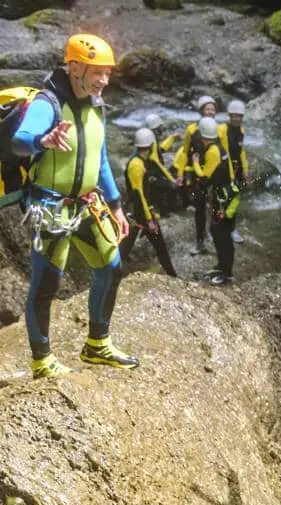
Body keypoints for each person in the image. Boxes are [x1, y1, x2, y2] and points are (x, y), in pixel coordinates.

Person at [11, 33, 138, 378]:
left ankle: (97, 345)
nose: (104, 80)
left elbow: (101, 162)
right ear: (75, 66)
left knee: (111, 268)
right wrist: (43, 140)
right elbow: (20, 142)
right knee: (47, 285)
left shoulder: (97, 106)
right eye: (97, 72)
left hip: (88, 204)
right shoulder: (47, 103)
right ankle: (42, 361)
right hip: (51, 208)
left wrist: (116, 206)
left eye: (108, 73)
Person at [119, 128, 178, 277]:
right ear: (151, 145)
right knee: (158, 244)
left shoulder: (140, 162)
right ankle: (171, 274)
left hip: (139, 211)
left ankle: (116, 267)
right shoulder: (137, 165)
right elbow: (139, 195)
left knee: (129, 242)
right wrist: (149, 218)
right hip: (140, 213)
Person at [191, 116, 239, 286]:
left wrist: (196, 163)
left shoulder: (212, 152)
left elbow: (205, 179)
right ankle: (223, 266)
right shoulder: (220, 147)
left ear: (203, 137)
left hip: (223, 199)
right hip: (227, 195)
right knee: (221, 232)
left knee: (220, 233)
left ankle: (226, 273)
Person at [173, 95, 217, 255]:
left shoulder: (219, 129)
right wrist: (180, 174)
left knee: (216, 205)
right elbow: (185, 153)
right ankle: (200, 240)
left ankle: (215, 233)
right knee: (199, 207)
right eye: (207, 109)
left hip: (213, 173)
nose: (211, 112)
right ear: (201, 111)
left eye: (213, 109)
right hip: (198, 175)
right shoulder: (192, 130)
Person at [219, 99, 250, 244]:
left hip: (236, 171)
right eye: (235, 116)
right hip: (224, 171)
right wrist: (230, 176)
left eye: (240, 116)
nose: (237, 118)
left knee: (234, 201)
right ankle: (220, 228)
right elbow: (224, 153)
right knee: (222, 201)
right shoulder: (223, 129)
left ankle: (231, 229)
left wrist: (245, 170)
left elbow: (241, 151)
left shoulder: (241, 130)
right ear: (229, 116)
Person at [141, 113, 180, 216]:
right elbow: (157, 163)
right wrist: (171, 179)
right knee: (172, 187)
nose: (161, 129)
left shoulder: (150, 140)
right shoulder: (151, 142)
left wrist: (171, 138)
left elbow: (161, 149)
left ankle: (166, 210)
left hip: (153, 175)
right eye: (159, 127)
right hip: (151, 178)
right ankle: (167, 211)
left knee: (166, 186)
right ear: (155, 129)